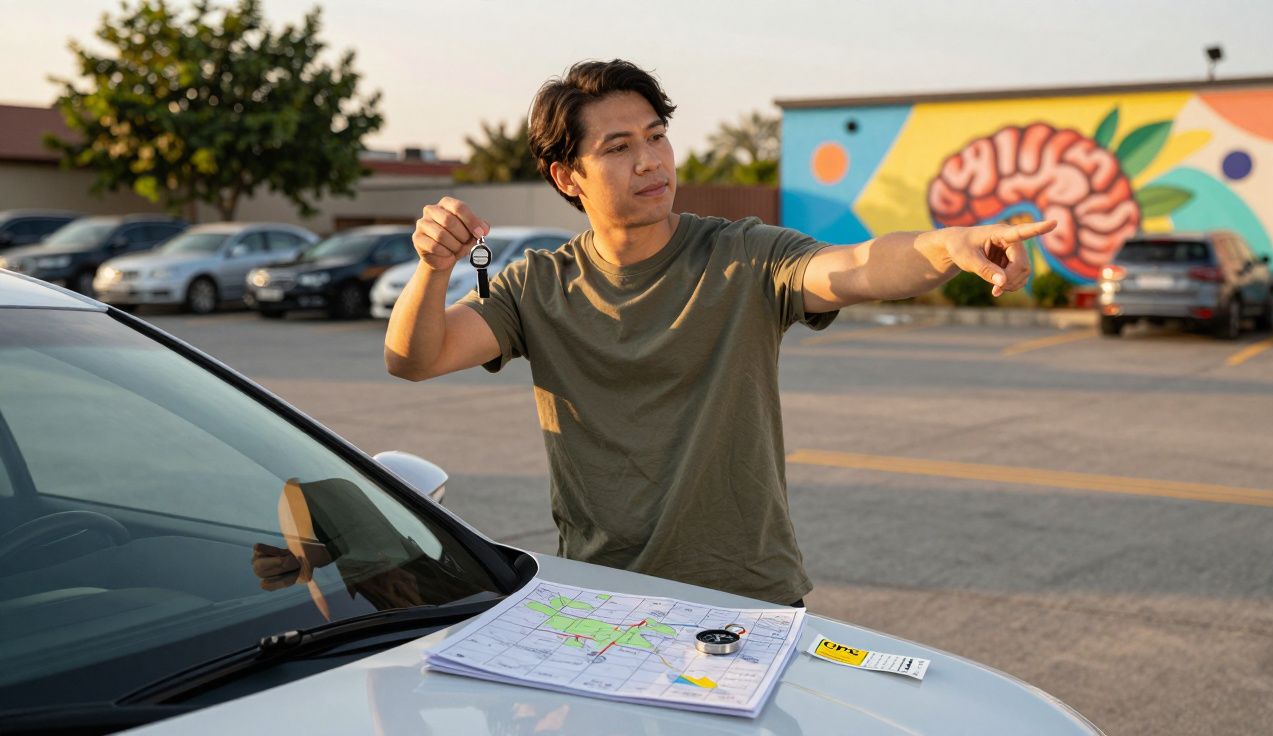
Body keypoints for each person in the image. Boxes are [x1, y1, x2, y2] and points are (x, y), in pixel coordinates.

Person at [384, 59, 1053, 606]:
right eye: (618, 147)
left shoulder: (744, 255)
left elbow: (854, 266)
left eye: (656, 136)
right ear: (567, 177)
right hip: (604, 594)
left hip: (746, 596)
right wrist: (434, 269)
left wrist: (945, 245)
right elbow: (416, 358)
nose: (650, 161)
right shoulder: (539, 284)